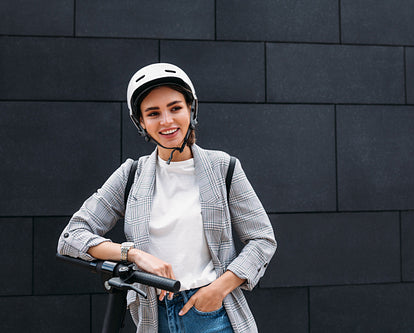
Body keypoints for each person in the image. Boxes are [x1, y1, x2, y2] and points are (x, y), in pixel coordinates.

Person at [57, 63, 277, 333]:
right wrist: (133, 254)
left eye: (175, 108)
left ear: (191, 109)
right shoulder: (131, 175)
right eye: (153, 113)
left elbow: (262, 239)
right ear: (141, 122)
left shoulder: (224, 168)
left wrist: (218, 290)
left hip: (213, 316)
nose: (166, 121)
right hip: (153, 318)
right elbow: (71, 236)